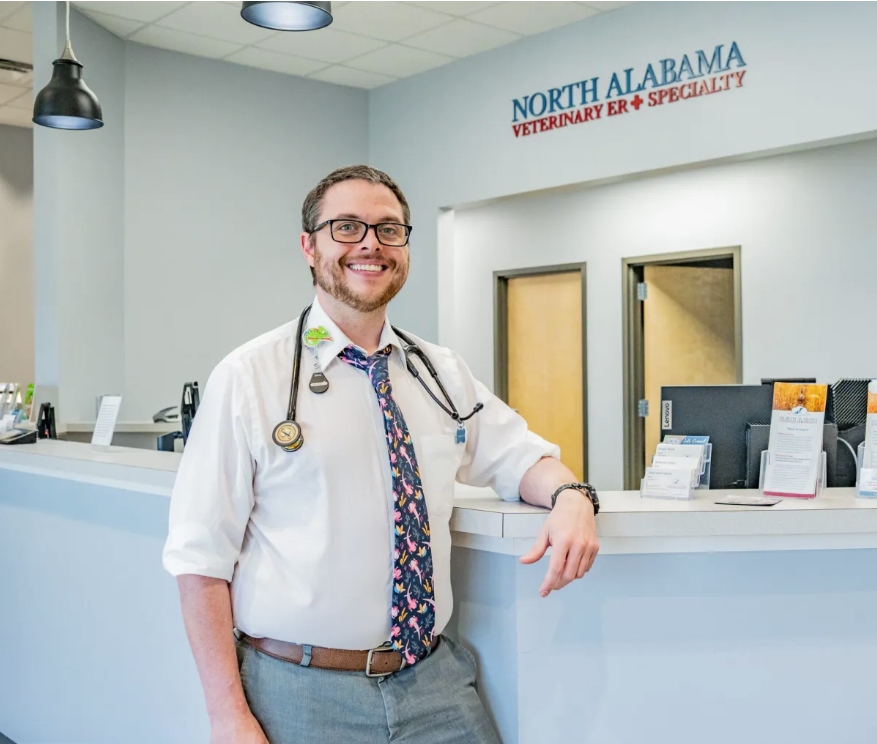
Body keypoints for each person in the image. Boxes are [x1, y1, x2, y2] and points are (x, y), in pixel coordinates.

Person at [163, 165, 600, 744]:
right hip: (298, 689)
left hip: (433, 684)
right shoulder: (250, 377)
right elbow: (200, 559)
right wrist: (227, 716)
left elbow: (518, 457)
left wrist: (571, 496)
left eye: (389, 229)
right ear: (309, 246)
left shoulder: (438, 371)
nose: (370, 244)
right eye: (346, 227)